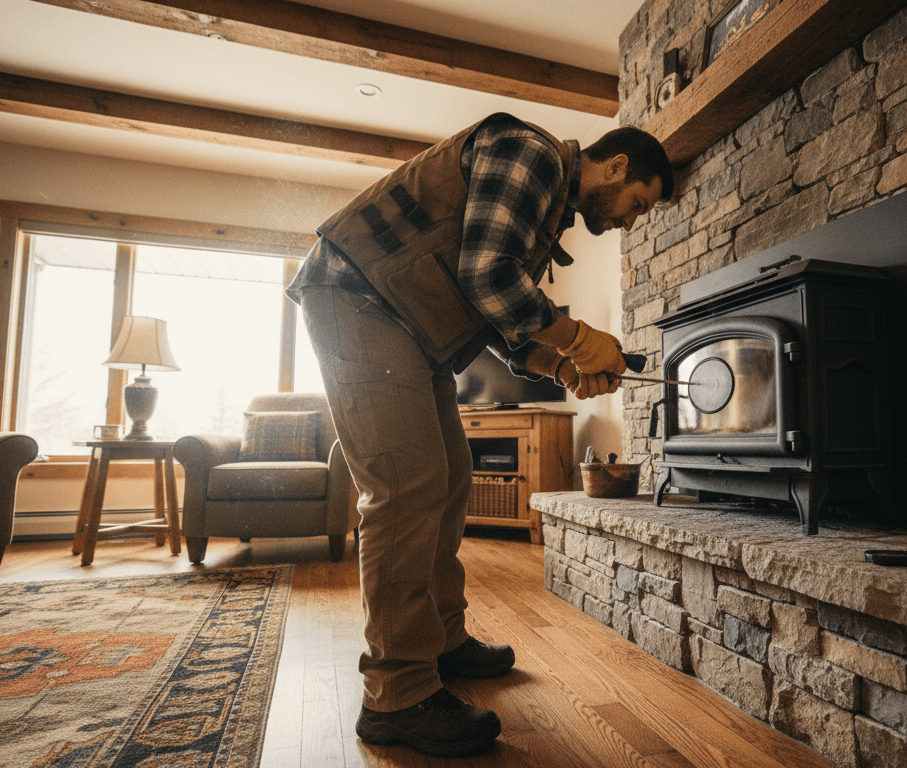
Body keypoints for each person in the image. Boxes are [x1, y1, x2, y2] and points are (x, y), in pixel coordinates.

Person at [285, 112, 674, 757]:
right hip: (360, 300)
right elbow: (489, 278)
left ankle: (441, 639)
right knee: (407, 489)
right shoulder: (533, 155)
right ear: (616, 166)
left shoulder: (545, 209)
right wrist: (580, 339)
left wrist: (561, 366)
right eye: (638, 204)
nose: (632, 221)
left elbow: (490, 311)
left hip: (408, 321)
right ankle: (395, 694)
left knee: (450, 478)